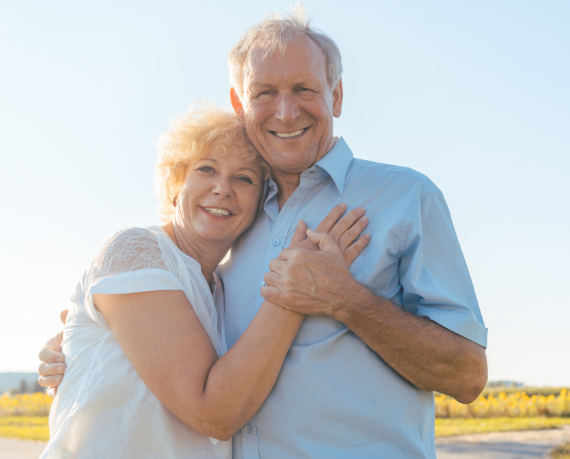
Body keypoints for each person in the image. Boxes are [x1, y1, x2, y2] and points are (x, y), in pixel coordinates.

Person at [41, 6, 489, 458]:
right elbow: (165, 322)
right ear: (240, 104)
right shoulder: (233, 227)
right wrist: (83, 341)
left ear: (336, 95)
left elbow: (468, 377)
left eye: (304, 89)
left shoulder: (408, 198)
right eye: (264, 92)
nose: (286, 110)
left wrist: (345, 299)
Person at [38, 106, 370, 459]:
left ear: (261, 203)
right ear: (175, 184)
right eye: (206, 169)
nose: (222, 188)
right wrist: (295, 286)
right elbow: (214, 413)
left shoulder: (223, 290)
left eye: (244, 178)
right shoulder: (136, 251)